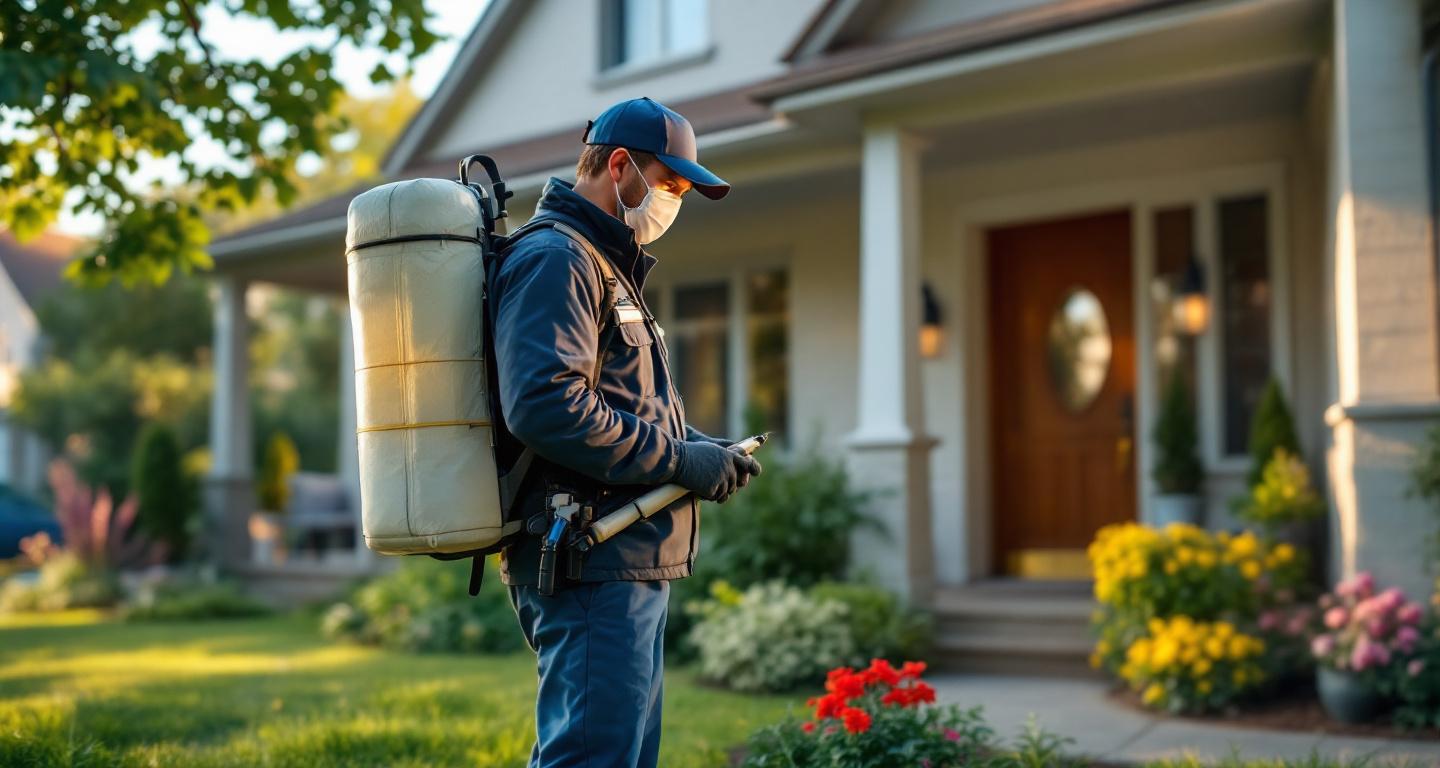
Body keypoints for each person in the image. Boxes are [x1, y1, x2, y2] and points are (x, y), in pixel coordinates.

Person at [490, 96, 764, 768]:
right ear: (619, 167)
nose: (674, 202)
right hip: (588, 562)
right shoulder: (558, 258)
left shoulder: (603, 264)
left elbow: (620, 402)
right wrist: (679, 461)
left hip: (621, 561)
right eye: (670, 185)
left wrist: (700, 449)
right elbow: (547, 405)